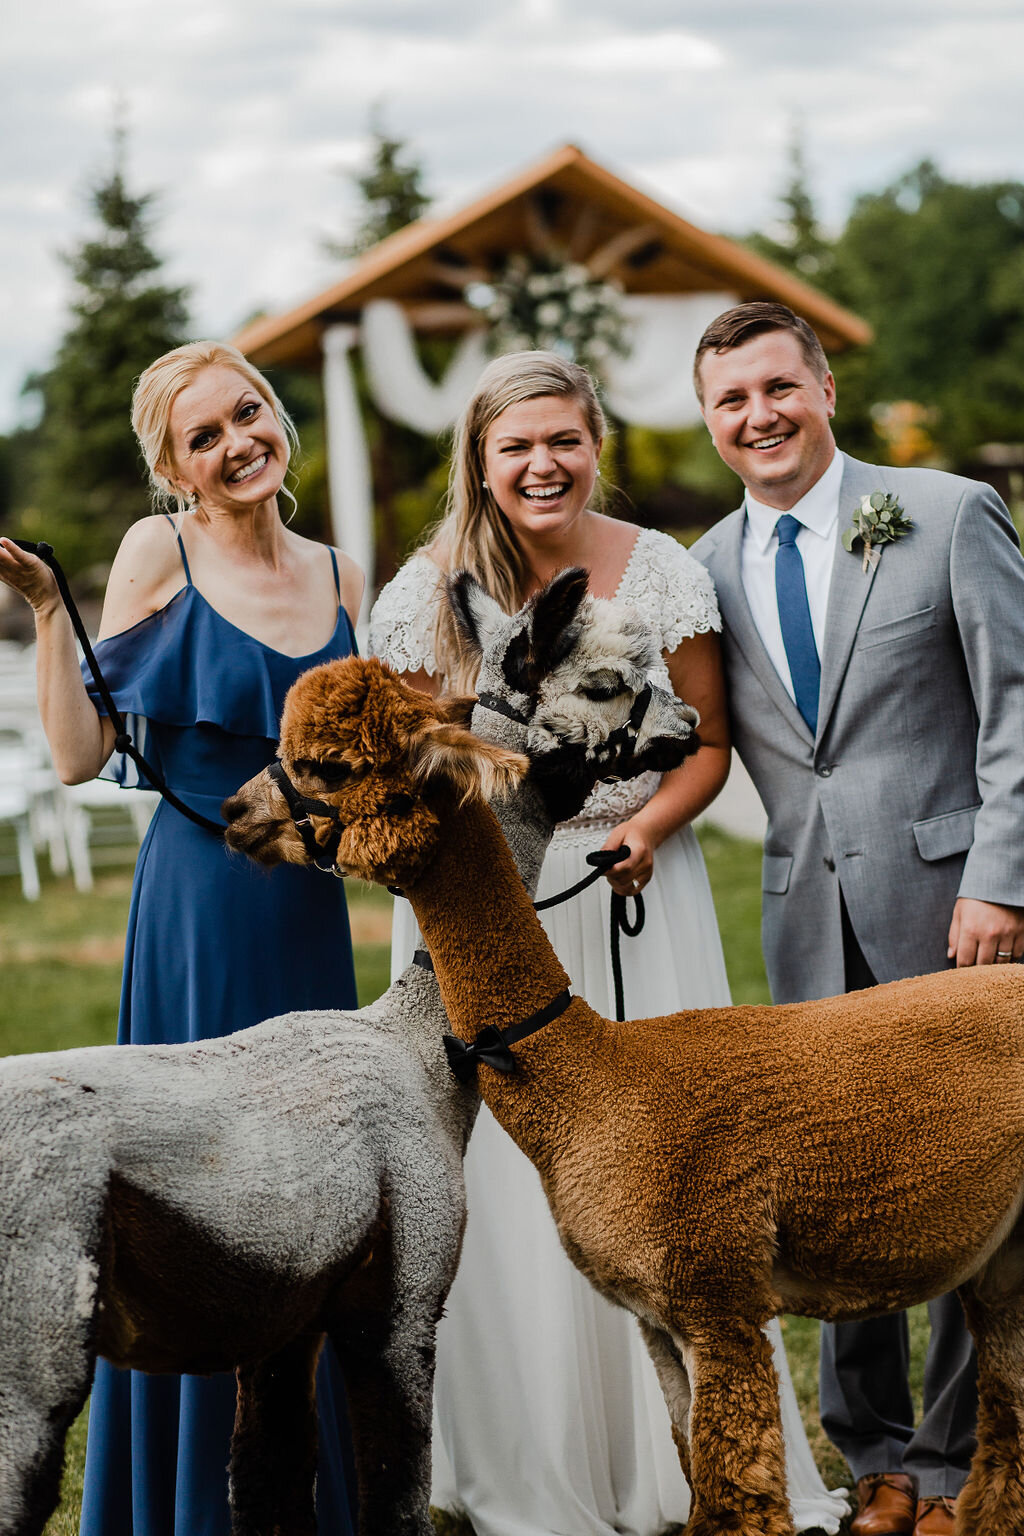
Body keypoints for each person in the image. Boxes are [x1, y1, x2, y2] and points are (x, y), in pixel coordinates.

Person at [368, 349, 851, 1536]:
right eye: (515, 447)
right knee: (499, 1170)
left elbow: (704, 741)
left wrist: (637, 825)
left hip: (637, 881)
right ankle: (524, 1455)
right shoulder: (425, 591)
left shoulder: (662, 571)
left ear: (596, 445)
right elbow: (411, 769)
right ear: (478, 463)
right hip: (489, 909)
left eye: (562, 441)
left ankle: (678, 1452)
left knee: (666, 1169)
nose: (543, 465)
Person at [0, 340, 364, 1536]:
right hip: (196, 915)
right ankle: (184, 1502)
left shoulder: (344, 573)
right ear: (175, 468)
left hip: (310, 917)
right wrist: (52, 610)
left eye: (246, 413)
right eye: (203, 436)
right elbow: (76, 755)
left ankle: (312, 1491)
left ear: (277, 418)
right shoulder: (163, 551)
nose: (236, 443)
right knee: (199, 1204)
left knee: (316, 1201)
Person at [690, 300, 1024, 1536]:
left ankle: (949, 1470)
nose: (758, 417)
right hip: (803, 919)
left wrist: (1001, 878)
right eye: (730, 401)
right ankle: (871, 1460)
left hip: (957, 909)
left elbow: (1015, 706)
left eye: (777, 388)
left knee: (952, 1183)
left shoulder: (943, 512)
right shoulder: (709, 567)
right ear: (709, 421)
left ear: (824, 388)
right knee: (835, 1194)